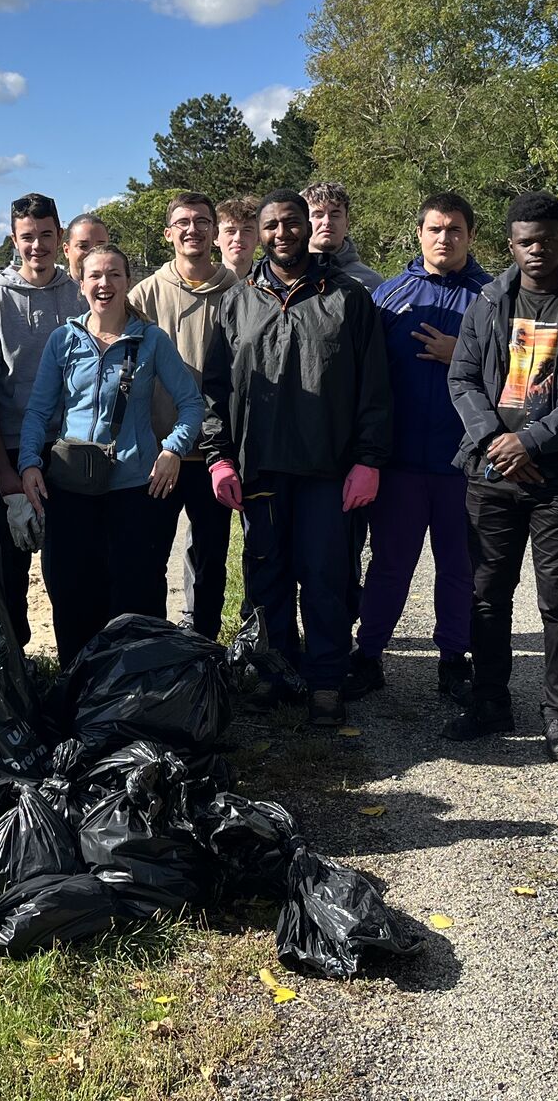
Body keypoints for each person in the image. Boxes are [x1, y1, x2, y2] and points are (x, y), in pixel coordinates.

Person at [444, 191, 558, 764]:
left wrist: (531, 440)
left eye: (546, 239)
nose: (536, 250)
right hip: (493, 473)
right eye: (525, 241)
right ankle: (491, 702)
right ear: (510, 245)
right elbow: (463, 379)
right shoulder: (489, 301)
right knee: (487, 595)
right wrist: (497, 443)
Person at [201, 189, 391, 727]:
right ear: (258, 233)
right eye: (270, 225)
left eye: (291, 222)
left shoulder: (349, 298)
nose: (281, 232)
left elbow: (374, 389)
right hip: (259, 467)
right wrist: (218, 457)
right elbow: (215, 390)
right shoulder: (236, 301)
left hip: (329, 470)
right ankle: (274, 673)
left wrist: (369, 460)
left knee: (328, 576)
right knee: (267, 575)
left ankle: (326, 680)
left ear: (308, 227)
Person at [19, 244, 203, 664]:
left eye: (114, 275)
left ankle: (134, 693)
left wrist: (173, 449)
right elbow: (39, 410)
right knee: (72, 594)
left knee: (135, 596)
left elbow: (191, 404)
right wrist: (29, 462)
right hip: (70, 488)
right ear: (81, 283)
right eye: (95, 276)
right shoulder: (63, 340)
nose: (105, 284)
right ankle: (79, 694)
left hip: (134, 489)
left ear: (128, 281)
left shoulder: (152, 340)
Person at [347, 192, 491, 700]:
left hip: (464, 463)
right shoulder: (389, 295)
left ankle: (453, 659)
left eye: (454, 229)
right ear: (420, 234)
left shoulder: (492, 296)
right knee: (389, 565)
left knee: (459, 569)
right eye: (435, 229)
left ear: (470, 236)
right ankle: (368, 656)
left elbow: (520, 375)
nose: (444, 238)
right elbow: (363, 378)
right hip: (401, 462)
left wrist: (462, 354)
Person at [0, 192, 86, 640]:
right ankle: (16, 671)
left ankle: (74, 666)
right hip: (15, 447)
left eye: (45, 235)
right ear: (14, 240)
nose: (36, 245)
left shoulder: (80, 296)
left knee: (71, 572)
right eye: (27, 237)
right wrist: (4, 472)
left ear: (60, 238)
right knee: (11, 572)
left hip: (71, 450)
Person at [126, 191, 237, 638]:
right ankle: (154, 651)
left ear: (214, 230)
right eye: (183, 222)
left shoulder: (237, 292)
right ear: (169, 233)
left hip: (214, 454)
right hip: (157, 453)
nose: (193, 230)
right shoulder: (144, 295)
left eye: (202, 221)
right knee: (149, 559)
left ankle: (203, 649)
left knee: (211, 560)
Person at [304, 180, 383, 291]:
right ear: (303, 222)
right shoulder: (285, 278)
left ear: (347, 222)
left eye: (335, 215)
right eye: (318, 215)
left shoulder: (372, 284)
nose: (327, 221)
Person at [215, 197, 260, 281]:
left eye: (247, 230)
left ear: (259, 238)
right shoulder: (203, 284)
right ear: (215, 237)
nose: (238, 238)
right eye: (230, 231)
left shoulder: (271, 287)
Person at [61, 211, 111, 280]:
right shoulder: (52, 290)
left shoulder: (119, 287)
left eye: (100, 247)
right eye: (83, 246)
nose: (92, 253)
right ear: (66, 250)